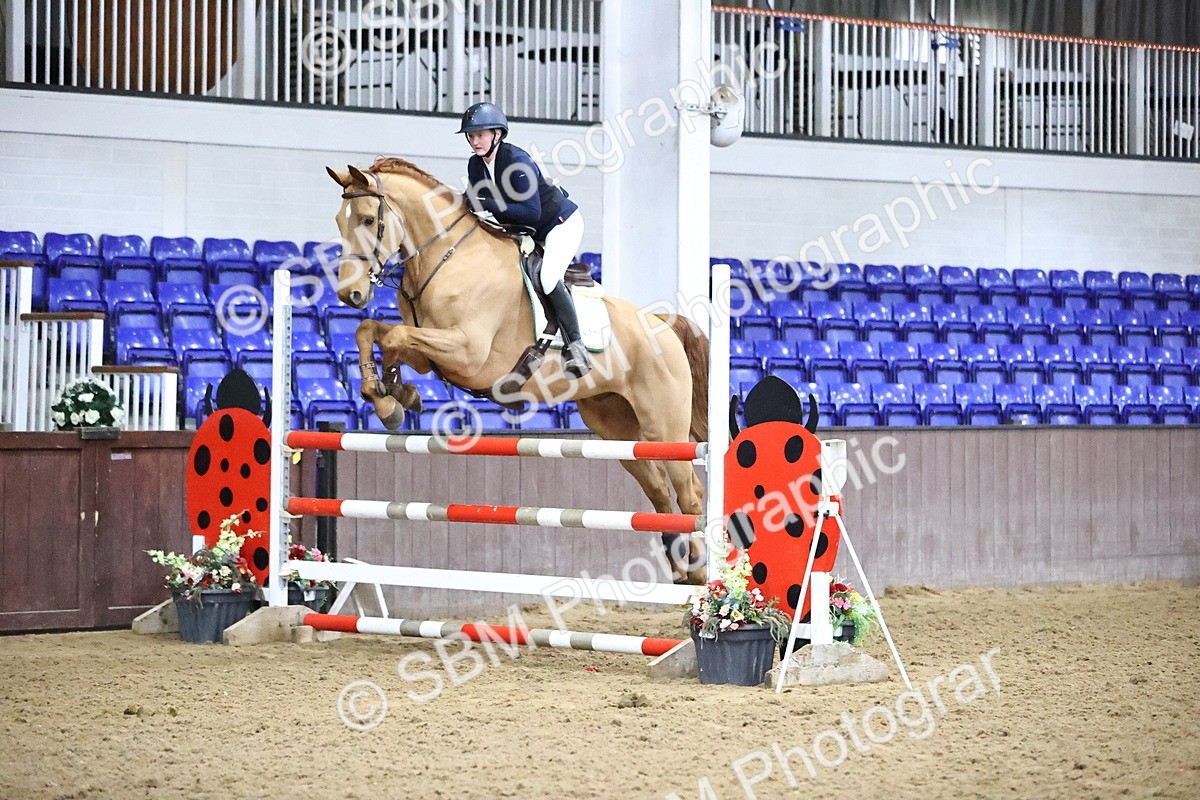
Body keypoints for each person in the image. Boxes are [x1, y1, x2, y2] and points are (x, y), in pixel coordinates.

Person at [458, 101, 591, 379]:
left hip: (558, 225)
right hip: (525, 230)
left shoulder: (517, 162)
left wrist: (487, 203)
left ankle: (576, 345)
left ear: (497, 134)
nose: (475, 140)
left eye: (481, 134)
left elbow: (531, 213)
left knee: (547, 276)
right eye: (471, 135)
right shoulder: (475, 165)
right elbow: (475, 205)